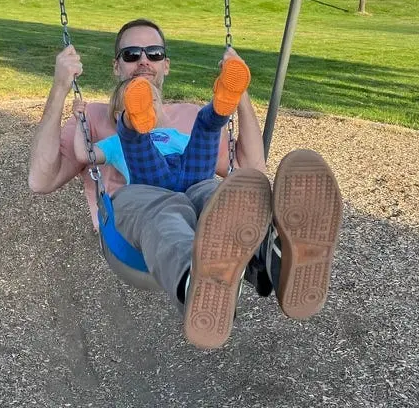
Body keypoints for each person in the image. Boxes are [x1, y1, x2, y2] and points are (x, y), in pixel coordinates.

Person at [28, 18, 343, 349]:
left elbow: (250, 168)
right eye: (132, 53)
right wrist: (60, 86)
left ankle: (274, 260)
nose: (143, 61)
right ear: (116, 67)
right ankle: (197, 281)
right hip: (135, 220)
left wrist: (239, 92)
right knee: (165, 211)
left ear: (166, 64)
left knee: (218, 196)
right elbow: (41, 179)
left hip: (199, 200)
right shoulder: (94, 115)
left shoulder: (192, 115)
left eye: (154, 53)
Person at [71, 55, 250, 192]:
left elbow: (202, 150)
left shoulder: (174, 134)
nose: (150, 106)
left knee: (205, 126)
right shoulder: (116, 143)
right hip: (153, 186)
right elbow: (84, 155)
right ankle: (131, 125)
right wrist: (81, 121)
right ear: (119, 116)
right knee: (134, 140)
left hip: (193, 178)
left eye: (152, 101)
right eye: (141, 104)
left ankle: (220, 106)